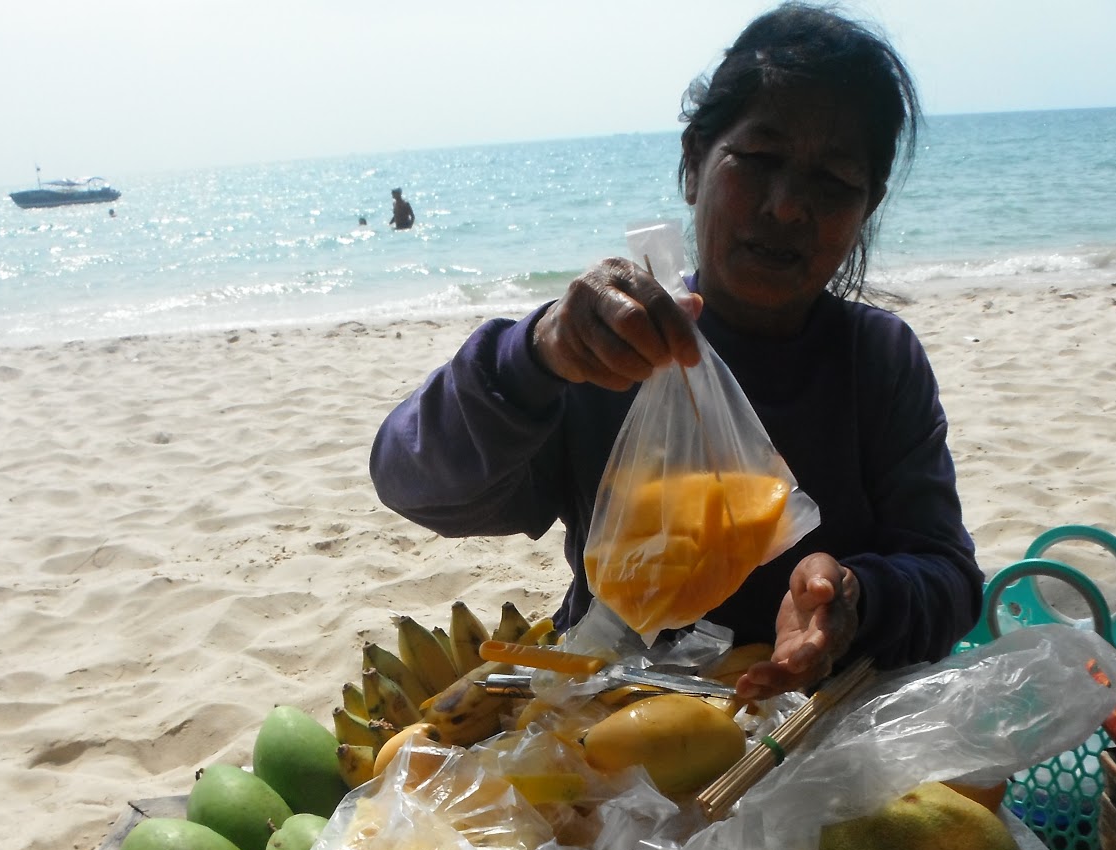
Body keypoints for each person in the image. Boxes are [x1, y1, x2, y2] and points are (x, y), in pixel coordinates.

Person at [370, 2, 982, 700]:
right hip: (620, 722)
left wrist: (859, 598)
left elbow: (948, 576)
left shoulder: (878, 359)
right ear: (694, 165)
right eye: (758, 160)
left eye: (834, 182)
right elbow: (413, 484)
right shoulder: (608, 349)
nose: (787, 207)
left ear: (866, 207)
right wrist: (534, 358)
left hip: (809, 727)